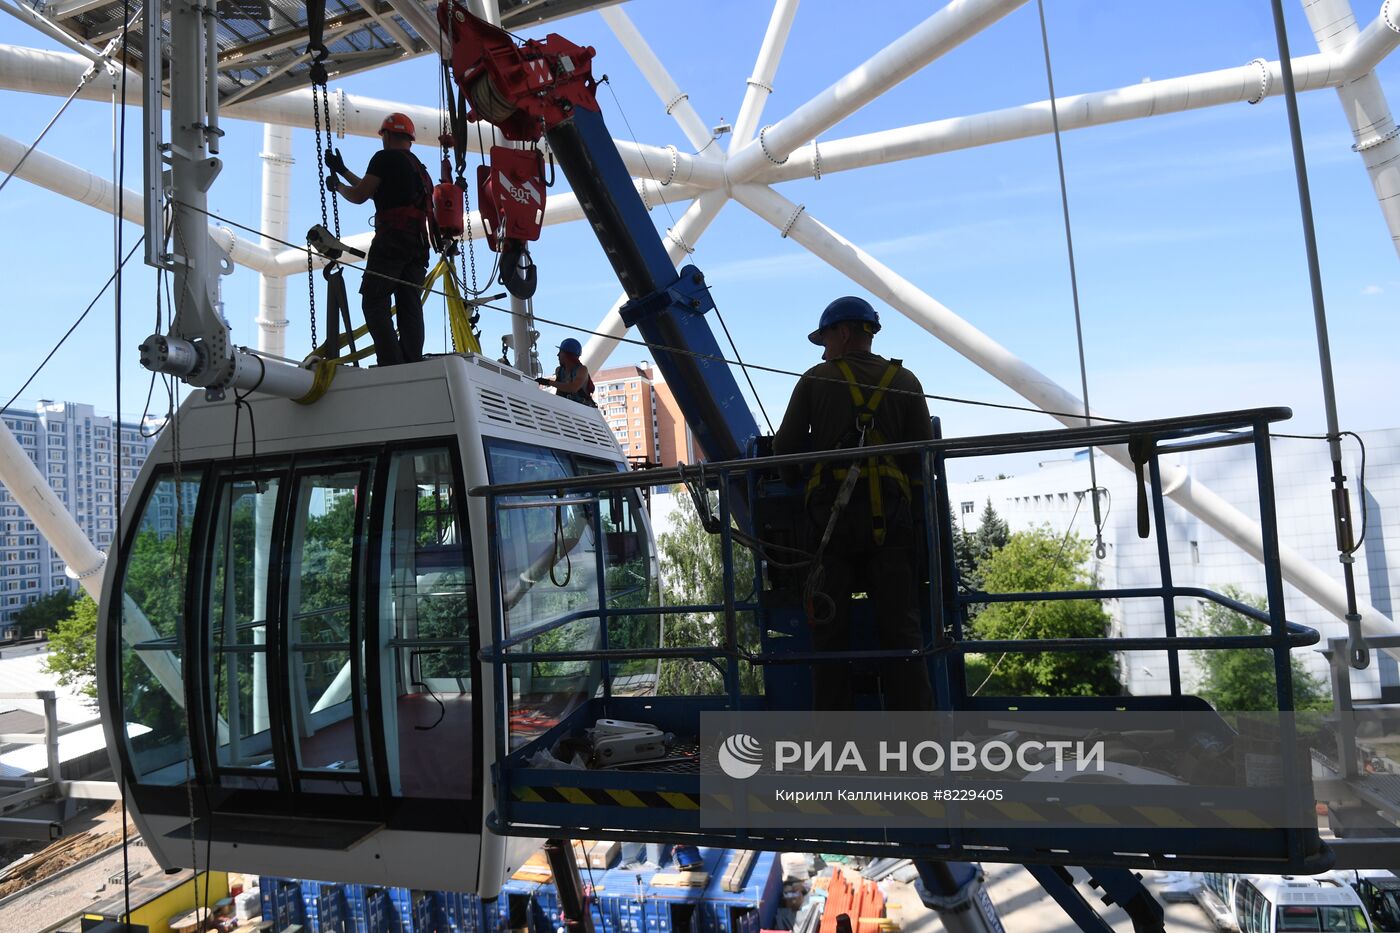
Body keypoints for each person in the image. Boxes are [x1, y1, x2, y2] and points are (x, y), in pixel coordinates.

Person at [773, 296, 935, 711]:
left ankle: (835, 743)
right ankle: (918, 745)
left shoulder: (815, 379)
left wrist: (800, 483)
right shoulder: (906, 381)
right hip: (893, 526)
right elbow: (925, 457)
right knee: (903, 634)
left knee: (828, 634)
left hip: (832, 525)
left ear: (843, 332)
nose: (824, 349)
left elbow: (786, 452)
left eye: (825, 339)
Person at [325, 112, 432, 366]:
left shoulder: (384, 158)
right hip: (418, 245)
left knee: (374, 301)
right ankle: (411, 361)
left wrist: (337, 186)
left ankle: (391, 362)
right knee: (409, 304)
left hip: (392, 242)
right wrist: (344, 171)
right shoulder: (418, 168)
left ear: (388, 135)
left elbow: (361, 195)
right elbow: (376, 190)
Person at [536, 338, 596, 406]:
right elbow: (559, 393)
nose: (558, 355)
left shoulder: (582, 370)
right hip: (568, 408)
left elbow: (573, 388)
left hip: (583, 409)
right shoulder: (559, 371)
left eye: (560, 352)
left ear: (568, 355)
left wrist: (548, 382)